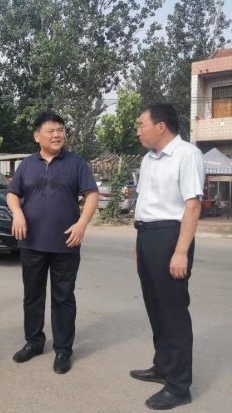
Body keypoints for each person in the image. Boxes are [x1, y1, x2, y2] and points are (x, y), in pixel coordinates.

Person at [6, 111, 99, 374]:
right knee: (32, 296)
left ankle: (63, 350)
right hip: (31, 243)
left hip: (66, 243)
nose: (57, 135)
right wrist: (18, 213)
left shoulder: (76, 163)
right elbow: (12, 194)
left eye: (60, 130)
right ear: (37, 136)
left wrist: (82, 223)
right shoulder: (27, 165)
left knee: (63, 298)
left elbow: (91, 194)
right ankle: (34, 342)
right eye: (51, 131)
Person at [130, 104, 204, 410]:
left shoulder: (187, 154)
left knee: (173, 312)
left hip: (171, 236)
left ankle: (179, 386)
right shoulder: (148, 159)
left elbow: (192, 206)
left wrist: (181, 251)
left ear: (160, 126)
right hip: (147, 235)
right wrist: (141, 240)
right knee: (155, 307)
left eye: (141, 124)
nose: (138, 130)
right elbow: (146, 202)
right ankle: (162, 366)